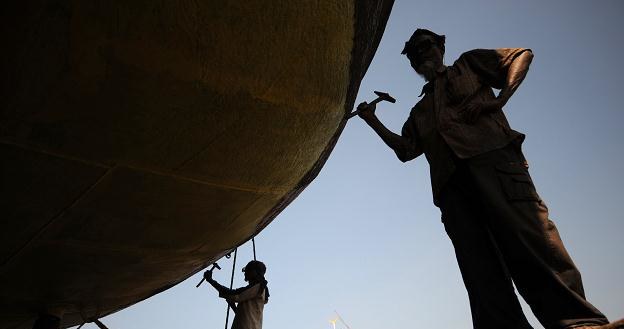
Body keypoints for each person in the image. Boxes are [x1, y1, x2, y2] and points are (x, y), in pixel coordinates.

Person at [356, 28, 622, 329]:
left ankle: (578, 323)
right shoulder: (419, 111)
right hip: (451, 189)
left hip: (495, 165)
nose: (421, 54)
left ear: (441, 45)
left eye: (426, 45)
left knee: (530, 243)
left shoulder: (469, 65)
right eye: (414, 53)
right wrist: (372, 120)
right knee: (479, 270)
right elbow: (406, 149)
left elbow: (520, 56)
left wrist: (499, 100)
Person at [204, 260, 269, 329]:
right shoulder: (258, 290)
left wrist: (211, 281)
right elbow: (244, 315)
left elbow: (234, 294)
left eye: (248, 270)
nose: (245, 273)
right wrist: (233, 305)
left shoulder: (257, 287)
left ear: (254, 272)